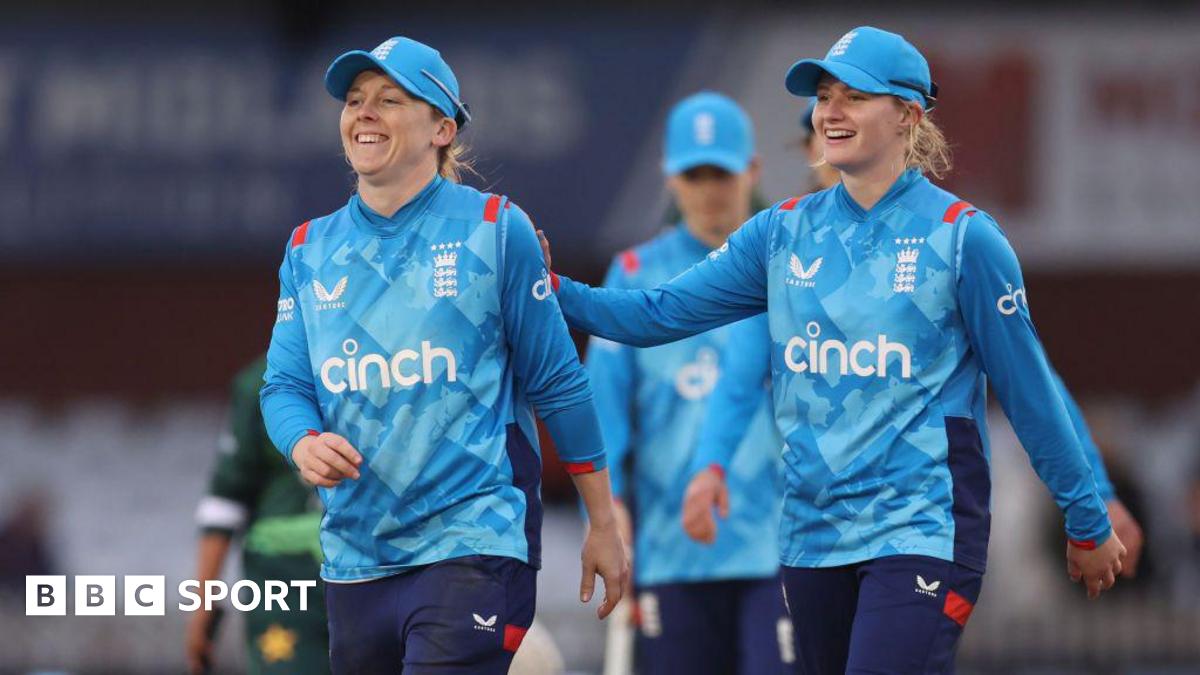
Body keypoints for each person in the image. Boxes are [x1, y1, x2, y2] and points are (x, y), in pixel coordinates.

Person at [537, 26, 1125, 674]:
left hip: (922, 529)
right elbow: (660, 312)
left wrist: (1085, 512)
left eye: (854, 95)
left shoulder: (964, 240)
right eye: (823, 96)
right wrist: (549, 288)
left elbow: (1030, 389)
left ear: (908, 114)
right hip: (812, 539)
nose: (830, 111)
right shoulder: (782, 232)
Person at [259, 36, 627, 674]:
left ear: (442, 127)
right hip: (355, 556)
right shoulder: (308, 248)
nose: (364, 113)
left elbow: (561, 384)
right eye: (354, 100)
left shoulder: (493, 228)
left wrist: (602, 521)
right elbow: (283, 387)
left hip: (472, 545)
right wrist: (302, 443)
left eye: (389, 100)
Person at [587, 92, 792, 674]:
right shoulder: (632, 276)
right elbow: (603, 415)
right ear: (669, 178)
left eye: (721, 172)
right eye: (693, 173)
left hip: (779, 546)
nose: (708, 189)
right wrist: (607, 512)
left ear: (751, 171)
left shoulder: (790, 270)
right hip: (670, 552)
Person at [187, 356, 328, 675]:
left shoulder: (391, 367)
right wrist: (204, 601)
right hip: (288, 577)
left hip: (379, 562)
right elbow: (226, 498)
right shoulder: (259, 384)